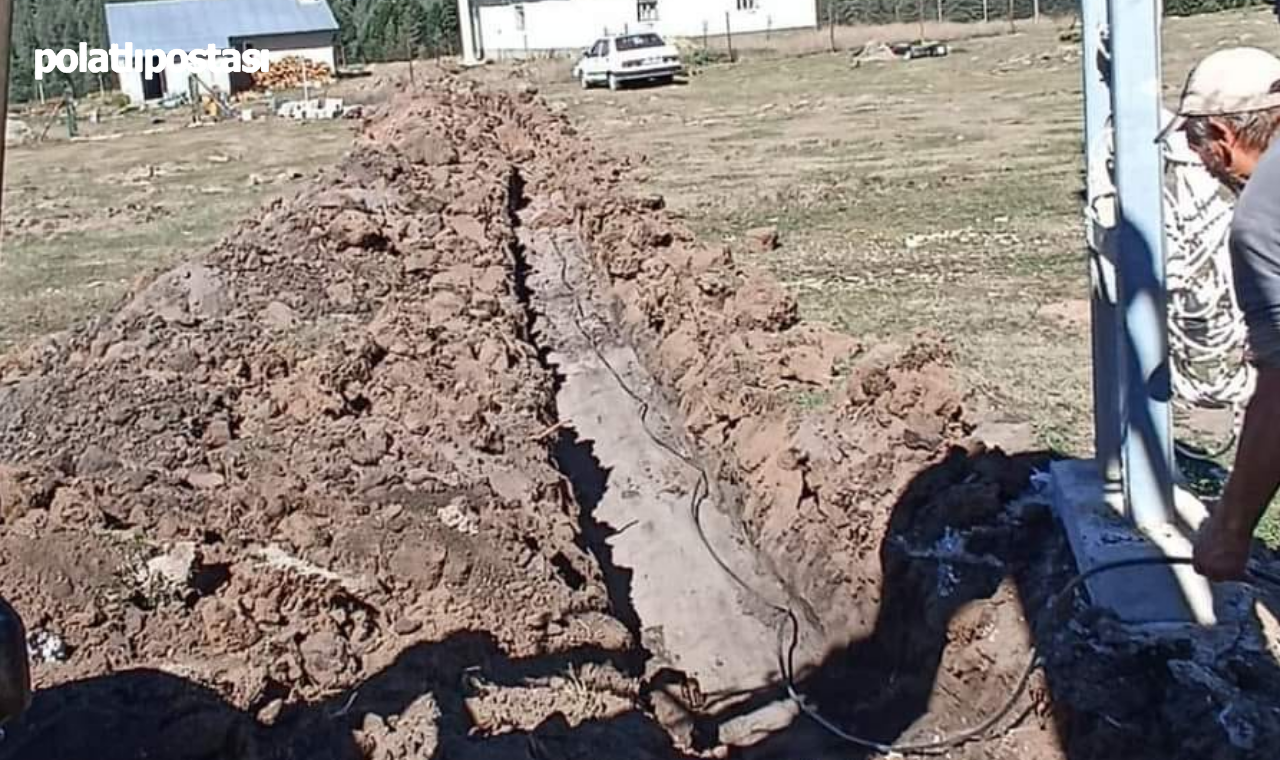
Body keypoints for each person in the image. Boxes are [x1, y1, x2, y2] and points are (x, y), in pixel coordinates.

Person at [1159, 47, 1280, 581]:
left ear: (1223, 137)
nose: (1197, 159)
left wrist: (1230, 531)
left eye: (1194, 142)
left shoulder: (1262, 218)